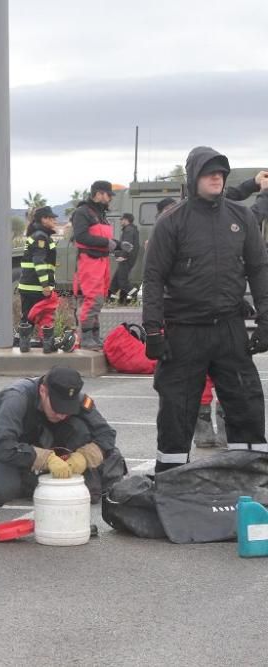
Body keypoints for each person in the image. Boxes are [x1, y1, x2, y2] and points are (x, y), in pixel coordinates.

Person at [142, 146, 268, 472]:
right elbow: (153, 278)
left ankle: (250, 476)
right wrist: (153, 330)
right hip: (184, 330)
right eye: (209, 171)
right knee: (176, 409)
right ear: (193, 176)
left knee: (246, 403)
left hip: (229, 328)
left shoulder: (241, 218)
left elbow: (259, 270)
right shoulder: (172, 222)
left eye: (221, 172)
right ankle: (171, 480)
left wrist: (266, 319)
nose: (217, 177)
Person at [0, 367, 119, 530]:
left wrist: (83, 457)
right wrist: (45, 458)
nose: (62, 415)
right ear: (43, 391)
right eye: (57, 408)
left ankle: (65, 515)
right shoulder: (16, 398)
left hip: (37, 439)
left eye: (67, 410)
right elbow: (3, 446)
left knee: (82, 432)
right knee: (1, 487)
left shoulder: (79, 399)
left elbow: (106, 434)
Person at [71, 180, 132, 349]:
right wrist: (108, 242)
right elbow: (81, 237)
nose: (110, 199)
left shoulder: (100, 214)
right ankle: (85, 337)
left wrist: (119, 245)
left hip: (101, 262)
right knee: (92, 299)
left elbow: (102, 239)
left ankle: (94, 336)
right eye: (108, 195)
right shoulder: (82, 212)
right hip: (89, 263)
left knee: (98, 300)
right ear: (98, 194)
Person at [17, 206, 59, 353]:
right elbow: (39, 262)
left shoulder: (37, 235)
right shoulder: (41, 237)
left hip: (28, 286)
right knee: (46, 316)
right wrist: (46, 285)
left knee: (27, 317)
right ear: (44, 219)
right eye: (52, 218)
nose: (55, 221)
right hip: (37, 287)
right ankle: (47, 345)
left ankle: (24, 346)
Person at [108, 213, 140, 305]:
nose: (120, 221)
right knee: (115, 282)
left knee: (122, 282)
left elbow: (127, 244)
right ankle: (111, 300)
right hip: (126, 258)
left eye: (122, 219)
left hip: (126, 259)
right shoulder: (130, 229)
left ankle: (136, 296)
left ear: (126, 220)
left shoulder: (129, 230)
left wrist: (123, 256)